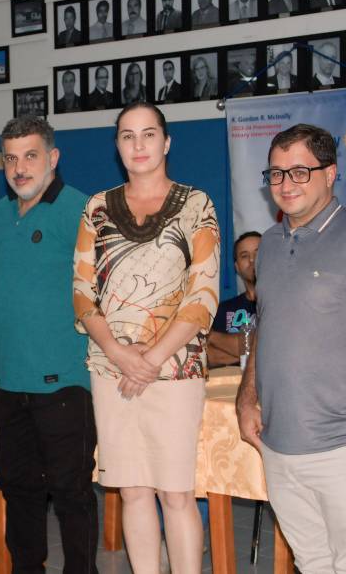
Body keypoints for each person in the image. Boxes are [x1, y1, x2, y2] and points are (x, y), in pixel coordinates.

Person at [74, 102, 219, 573]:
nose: (138, 145)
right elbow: (82, 293)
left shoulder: (196, 204)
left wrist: (151, 359)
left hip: (175, 370)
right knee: (132, 490)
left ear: (166, 142)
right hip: (111, 370)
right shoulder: (96, 207)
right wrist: (119, 354)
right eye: (127, 136)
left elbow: (203, 295)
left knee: (176, 493)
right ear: (117, 146)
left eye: (148, 134)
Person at [236, 124, 346, 573]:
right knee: (311, 561)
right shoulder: (269, 244)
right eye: (276, 174)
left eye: (300, 172)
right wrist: (247, 397)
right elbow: (266, 323)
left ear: (330, 173)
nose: (286, 184)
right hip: (279, 444)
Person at [0, 116, 98, 574]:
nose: (20, 168)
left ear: (53, 158)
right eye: (11, 158)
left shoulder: (81, 210)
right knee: (18, 490)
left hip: (64, 383)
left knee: (72, 494)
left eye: (30, 156)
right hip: (9, 382)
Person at [207, 232, 260, 367]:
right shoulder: (221, 310)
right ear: (237, 267)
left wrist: (211, 336)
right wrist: (252, 353)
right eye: (244, 256)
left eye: (258, 253)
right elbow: (208, 355)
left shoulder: (284, 303)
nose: (252, 260)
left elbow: (270, 347)